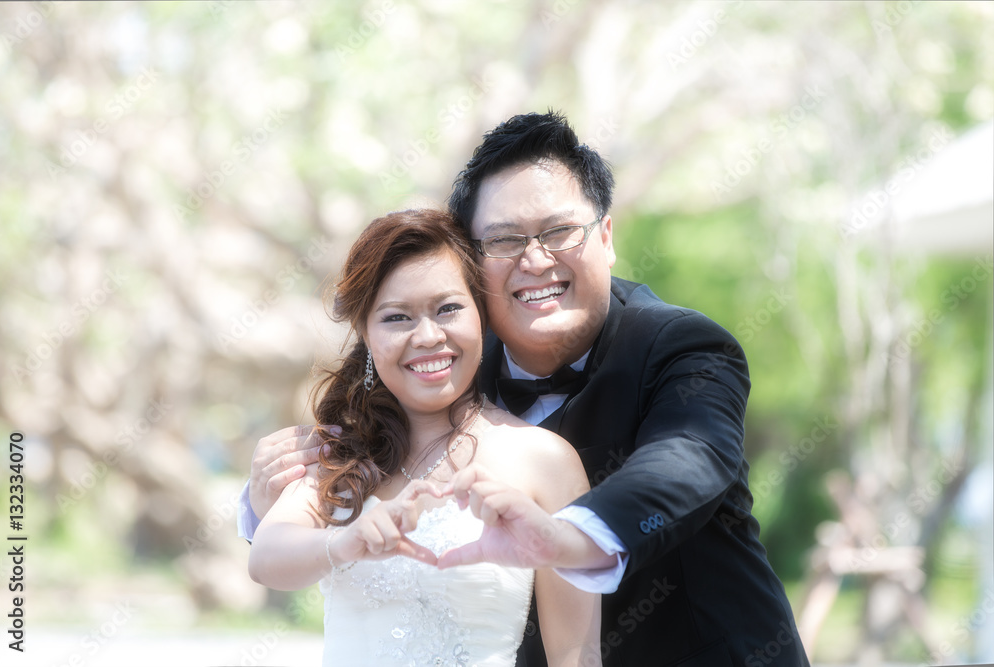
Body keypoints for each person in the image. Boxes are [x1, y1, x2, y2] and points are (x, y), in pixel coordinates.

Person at [241, 111, 809, 667]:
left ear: (606, 236)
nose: (536, 260)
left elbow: (687, 459)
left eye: (559, 231)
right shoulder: (447, 362)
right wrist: (273, 502)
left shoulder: (681, 346)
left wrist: (566, 537)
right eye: (506, 240)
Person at [246, 208, 601, 667]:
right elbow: (267, 558)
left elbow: (576, 653)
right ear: (366, 335)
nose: (429, 336)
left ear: (481, 316)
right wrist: (345, 543)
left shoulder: (543, 460)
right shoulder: (339, 451)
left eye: (448, 308)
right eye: (397, 318)